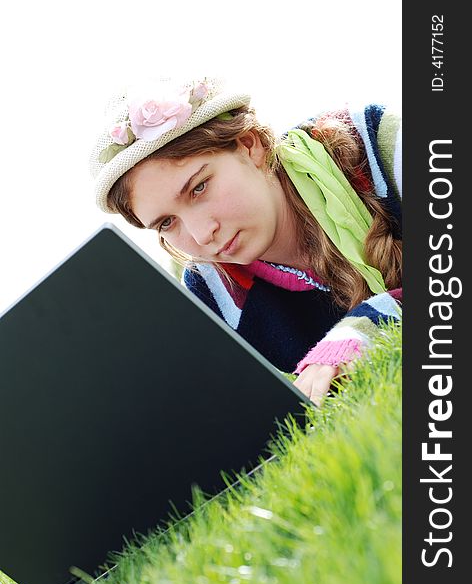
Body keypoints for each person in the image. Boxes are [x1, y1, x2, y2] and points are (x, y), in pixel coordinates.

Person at [89, 77, 402, 405]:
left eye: (199, 187)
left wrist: (359, 334)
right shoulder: (212, 297)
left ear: (250, 145)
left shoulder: (374, 143)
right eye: (167, 223)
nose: (200, 234)